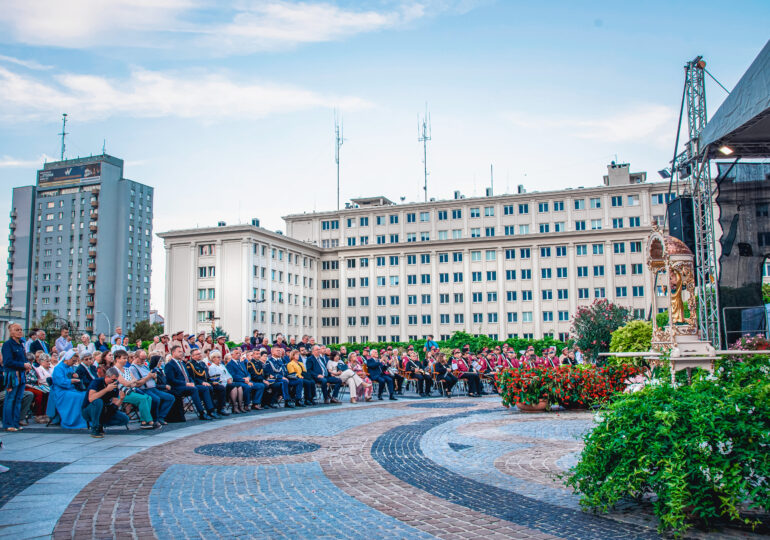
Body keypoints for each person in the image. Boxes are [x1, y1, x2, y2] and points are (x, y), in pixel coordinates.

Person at [164, 345, 217, 421]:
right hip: (177, 387)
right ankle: (201, 413)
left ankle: (210, 410)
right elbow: (171, 380)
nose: (181, 353)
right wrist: (186, 384)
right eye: (179, 351)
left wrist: (192, 382)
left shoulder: (182, 363)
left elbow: (188, 376)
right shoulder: (169, 365)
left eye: (181, 351)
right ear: (173, 352)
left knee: (204, 388)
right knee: (194, 389)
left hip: (187, 385)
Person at [113, 350, 157, 429]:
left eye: (126, 358)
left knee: (148, 398)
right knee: (143, 399)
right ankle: (150, 421)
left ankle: (144, 421)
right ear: (117, 359)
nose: (126, 360)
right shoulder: (115, 370)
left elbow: (135, 382)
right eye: (123, 358)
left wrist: (131, 382)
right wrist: (131, 382)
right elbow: (125, 383)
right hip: (122, 394)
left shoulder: (126, 369)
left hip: (131, 391)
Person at [81, 367, 129, 438]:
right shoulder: (96, 382)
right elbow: (91, 398)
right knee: (98, 401)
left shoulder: (115, 386)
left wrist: (121, 399)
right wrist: (106, 389)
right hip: (89, 410)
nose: (114, 382)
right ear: (106, 377)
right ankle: (95, 428)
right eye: (113, 379)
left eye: (116, 380)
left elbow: (115, 405)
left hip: (104, 411)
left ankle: (100, 423)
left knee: (124, 419)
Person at [129, 351, 174, 425]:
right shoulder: (132, 368)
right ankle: (154, 419)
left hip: (153, 388)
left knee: (170, 398)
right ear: (135, 357)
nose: (143, 361)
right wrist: (148, 377)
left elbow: (152, 378)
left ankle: (161, 417)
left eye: (144, 359)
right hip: (144, 389)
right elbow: (137, 384)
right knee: (156, 399)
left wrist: (154, 377)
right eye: (141, 359)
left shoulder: (145, 366)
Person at [2, 323, 31, 431]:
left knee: (18, 399)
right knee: (10, 399)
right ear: (11, 332)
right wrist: (22, 365)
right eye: (17, 329)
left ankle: (15, 422)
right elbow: (8, 361)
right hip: (12, 375)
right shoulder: (8, 345)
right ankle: (8, 424)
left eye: (20, 329)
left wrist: (26, 364)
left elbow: (22, 358)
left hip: (21, 375)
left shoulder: (21, 344)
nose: (20, 331)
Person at [48, 350, 87, 429]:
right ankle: (72, 421)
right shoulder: (58, 368)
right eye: (73, 361)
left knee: (84, 394)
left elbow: (71, 377)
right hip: (60, 391)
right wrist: (72, 380)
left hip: (69, 389)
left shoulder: (70, 368)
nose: (74, 363)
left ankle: (83, 420)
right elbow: (60, 382)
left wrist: (75, 376)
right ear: (67, 359)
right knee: (77, 397)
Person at [187, 349, 229, 416]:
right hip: (198, 384)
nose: (200, 355)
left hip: (207, 382)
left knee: (221, 388)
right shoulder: (190, 365)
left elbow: (207, 376)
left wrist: (213, 381)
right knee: (208, 388)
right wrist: (201, 382)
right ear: (192, 356)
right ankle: (210, 410)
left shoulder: (202, 363)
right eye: (198, 354)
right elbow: (192, 378)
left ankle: (220, 408)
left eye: (200, 353)